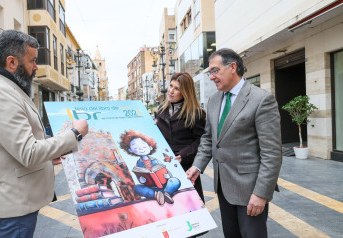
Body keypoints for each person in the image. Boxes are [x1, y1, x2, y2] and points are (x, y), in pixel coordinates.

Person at [0, 30, 88, 237]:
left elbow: (18, 145)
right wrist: (75, 134)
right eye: (32, 61)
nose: (36, 67)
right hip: (14, 205)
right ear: (12, 62)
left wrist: (48, 157)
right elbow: (28, 151)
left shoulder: (8, 88)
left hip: (19, 201)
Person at [186, 48, 282, 237]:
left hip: (250, 190)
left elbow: (271, 153)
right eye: (209, 72)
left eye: (215, 70)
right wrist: (197, 166)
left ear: (232, 67)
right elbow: (208, 138)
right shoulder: (214, 100)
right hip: (223, 187)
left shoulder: (261, 99)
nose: (211, 77)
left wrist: (261, 194)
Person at [156, 72, 206, 202]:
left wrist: (183, 155)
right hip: (164, 166)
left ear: (185, 92)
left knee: (189, 207)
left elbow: (201, 141)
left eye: (177, 88)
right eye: (171, 86)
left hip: (185, 168)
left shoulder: (196, 113)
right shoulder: (161, 110)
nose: (171, 91)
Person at [119, 130, 181, 205]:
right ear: (130, 150)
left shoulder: (155, 160)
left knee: (175, 181)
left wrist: (168, 176)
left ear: (150, 147)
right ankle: (156, 195)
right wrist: (142, 180)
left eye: (144, 146)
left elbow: (165, 170)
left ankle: (166, 193)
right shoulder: (139, 163)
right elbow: (141, 178)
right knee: (137, 188)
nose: (141, 149)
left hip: (164, 184)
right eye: (136, 147)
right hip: (152, 188)